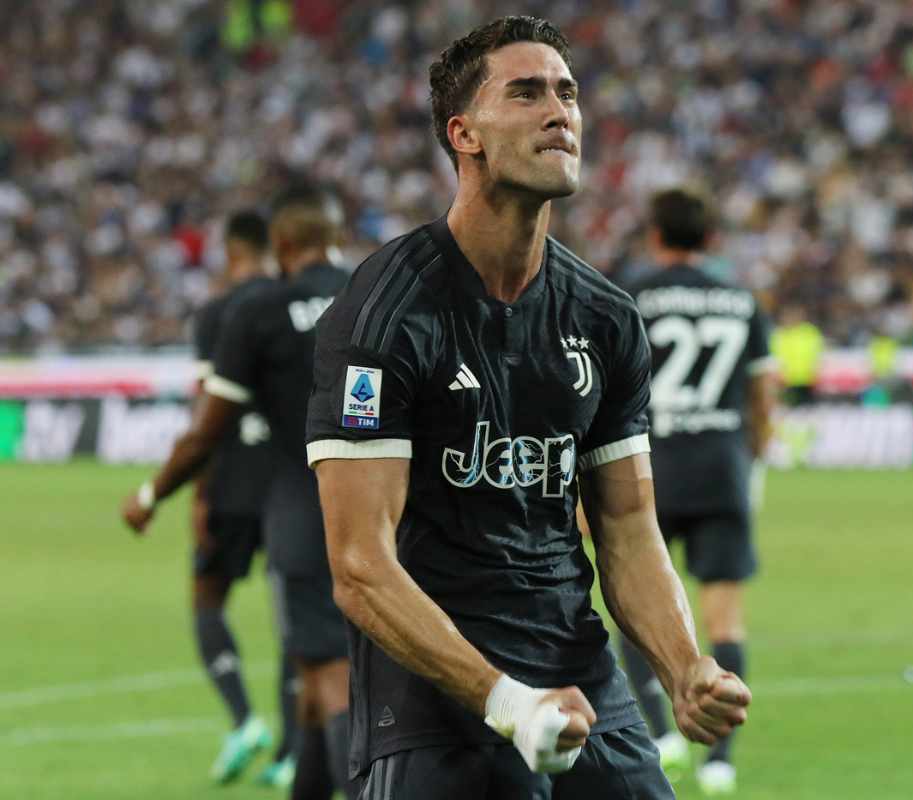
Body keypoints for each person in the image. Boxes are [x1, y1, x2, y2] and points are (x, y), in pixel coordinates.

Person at [304, 15, 750, 800]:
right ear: (464, 134)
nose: (559, 112)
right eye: (527, 93)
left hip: (582, 681)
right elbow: (360, 568)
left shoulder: (605, 317)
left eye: (567, 93)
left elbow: (627, 528)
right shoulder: (382, 316)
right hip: (431, 698)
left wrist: (684, 667)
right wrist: (507, 702)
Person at [121, 185, 354, 800]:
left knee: (331, 676)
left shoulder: (259, 310)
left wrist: (149, 495)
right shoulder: (379, 292)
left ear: (281, 244)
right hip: (388, 513)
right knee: (318, 681)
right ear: (336, 236)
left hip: (304, 512)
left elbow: (205, 432)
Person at [622, 187, 777, 796]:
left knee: (635, 604)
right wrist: (754, 460)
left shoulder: (634, 295)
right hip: (721, 468)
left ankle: (660, 733)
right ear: (712, 238)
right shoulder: (741, 300)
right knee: (725, 616)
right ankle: (720, 760)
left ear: (655, 235)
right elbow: (763, 398)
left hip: (647, 471)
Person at [188, 209, 299, 786]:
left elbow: (205, 410)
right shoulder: (292, 305)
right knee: (293, 617)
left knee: (207, 598)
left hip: (230, 481)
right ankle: (291, 752)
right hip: (286, 482)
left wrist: (198, 495)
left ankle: (243, 720)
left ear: (231, 251)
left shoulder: (215, 313)